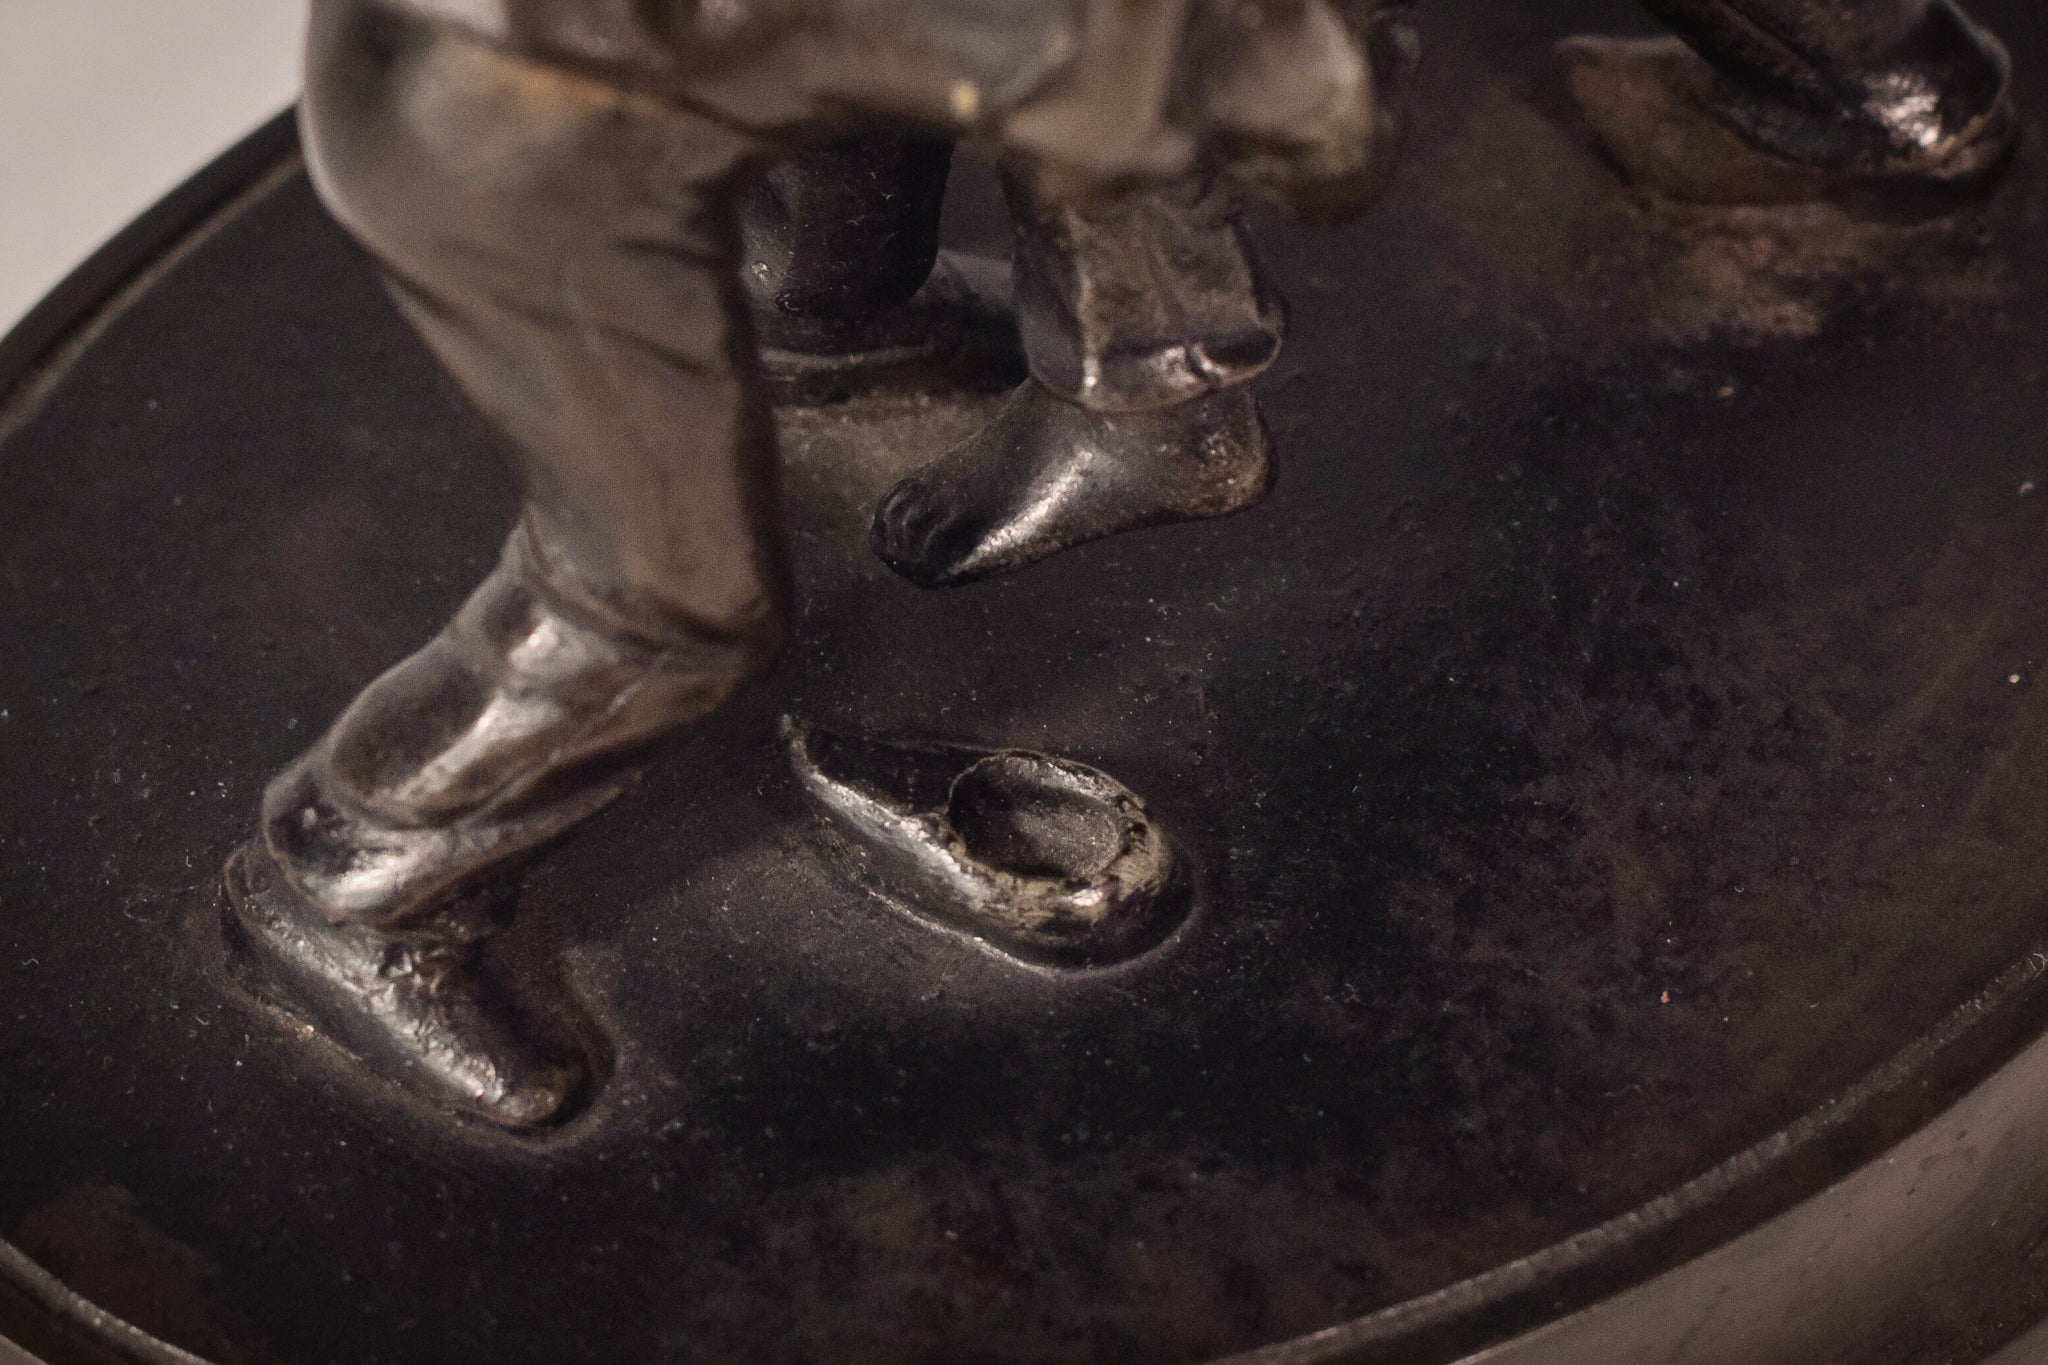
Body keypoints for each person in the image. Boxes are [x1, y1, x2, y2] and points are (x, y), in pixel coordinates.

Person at [224, 0, 1418, 1129]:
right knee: (667, 608)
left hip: (583, 59)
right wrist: (1285, 82)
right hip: (516, 158)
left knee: (879, 123)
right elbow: (1286, 129)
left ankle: (833, 319)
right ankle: (347, 881)